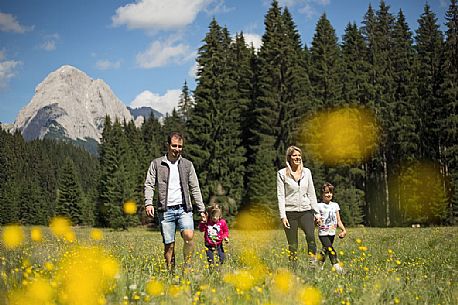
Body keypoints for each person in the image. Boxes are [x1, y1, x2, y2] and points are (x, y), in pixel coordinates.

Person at [144, 132, 206, 271]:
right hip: (165, 211)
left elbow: (195, 187)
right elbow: (149, 184)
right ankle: (171, 273)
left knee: (189, 236)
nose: (177, 149)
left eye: (180, 146)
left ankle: (187, 266)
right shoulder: (157, 164)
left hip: (184, 209)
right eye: (174, 145)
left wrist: (201, 209)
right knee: (169, 245)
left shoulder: (187, 165)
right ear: (168, 145)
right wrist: (148, 203)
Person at [277, 145, 322, 265]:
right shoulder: (282, 174)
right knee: (293, 244)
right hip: (290, 212)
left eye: (299, 155)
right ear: (289, 158)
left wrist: (317, 213)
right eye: (294, 155)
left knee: (311, 237)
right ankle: (293, 267)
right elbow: (281, 196)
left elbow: (311, 193)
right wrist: (283, 216)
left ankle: (312, 264)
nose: (297, 158)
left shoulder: (307, 172)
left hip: (306, 211)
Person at [316, 182, 347, 273]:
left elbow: (338, 220)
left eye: (330, 192)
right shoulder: (319, 206)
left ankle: (317, 267)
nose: (328, 194)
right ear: (322, 194)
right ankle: (338, 268)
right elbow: (315, 219)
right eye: (326, 192)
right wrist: (317, 221)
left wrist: (343, 230)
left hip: (332, 232)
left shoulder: (335, 205)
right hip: (323, 233)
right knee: (330, 249)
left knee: (325, 251)